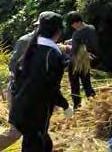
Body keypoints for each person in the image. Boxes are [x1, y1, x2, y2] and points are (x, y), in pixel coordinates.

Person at [9, 11, 73, 151]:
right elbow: (50, 88)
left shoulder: (33, 48)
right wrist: (65, 105)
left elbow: (18, 76)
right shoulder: (53, 54)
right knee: (36, 145)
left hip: (22, 107)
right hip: (36, 112)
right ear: (58, 31)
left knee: (43, 144)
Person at [64, 11, 97, 109]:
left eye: (72, 24)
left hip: (77, 61)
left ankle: (76, 106)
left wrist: (66, 48)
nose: (72, 26)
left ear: (77, 22)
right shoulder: (91, 28)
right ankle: (94, 102)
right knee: (87, 83)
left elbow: (74, 50)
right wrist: (71, 40)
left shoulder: (78, 33)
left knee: (75, 85)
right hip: (87, 60)